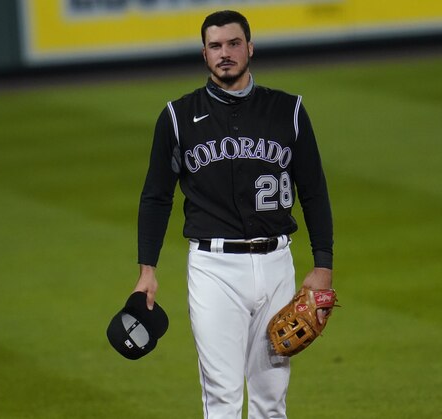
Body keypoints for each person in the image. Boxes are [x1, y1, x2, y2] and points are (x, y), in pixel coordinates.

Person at [133, 9, 333, 418]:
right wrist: (147, 270)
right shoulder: (177, 118)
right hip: (214, 270)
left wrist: (323, 264)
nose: (225, 53)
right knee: (223, 397)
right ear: (204, 55)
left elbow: (313, 192)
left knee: (271, 399)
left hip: (278, 265)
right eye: (215, 46)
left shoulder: (288, 111)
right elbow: (156, 197)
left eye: (234, 43)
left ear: (250, 48)